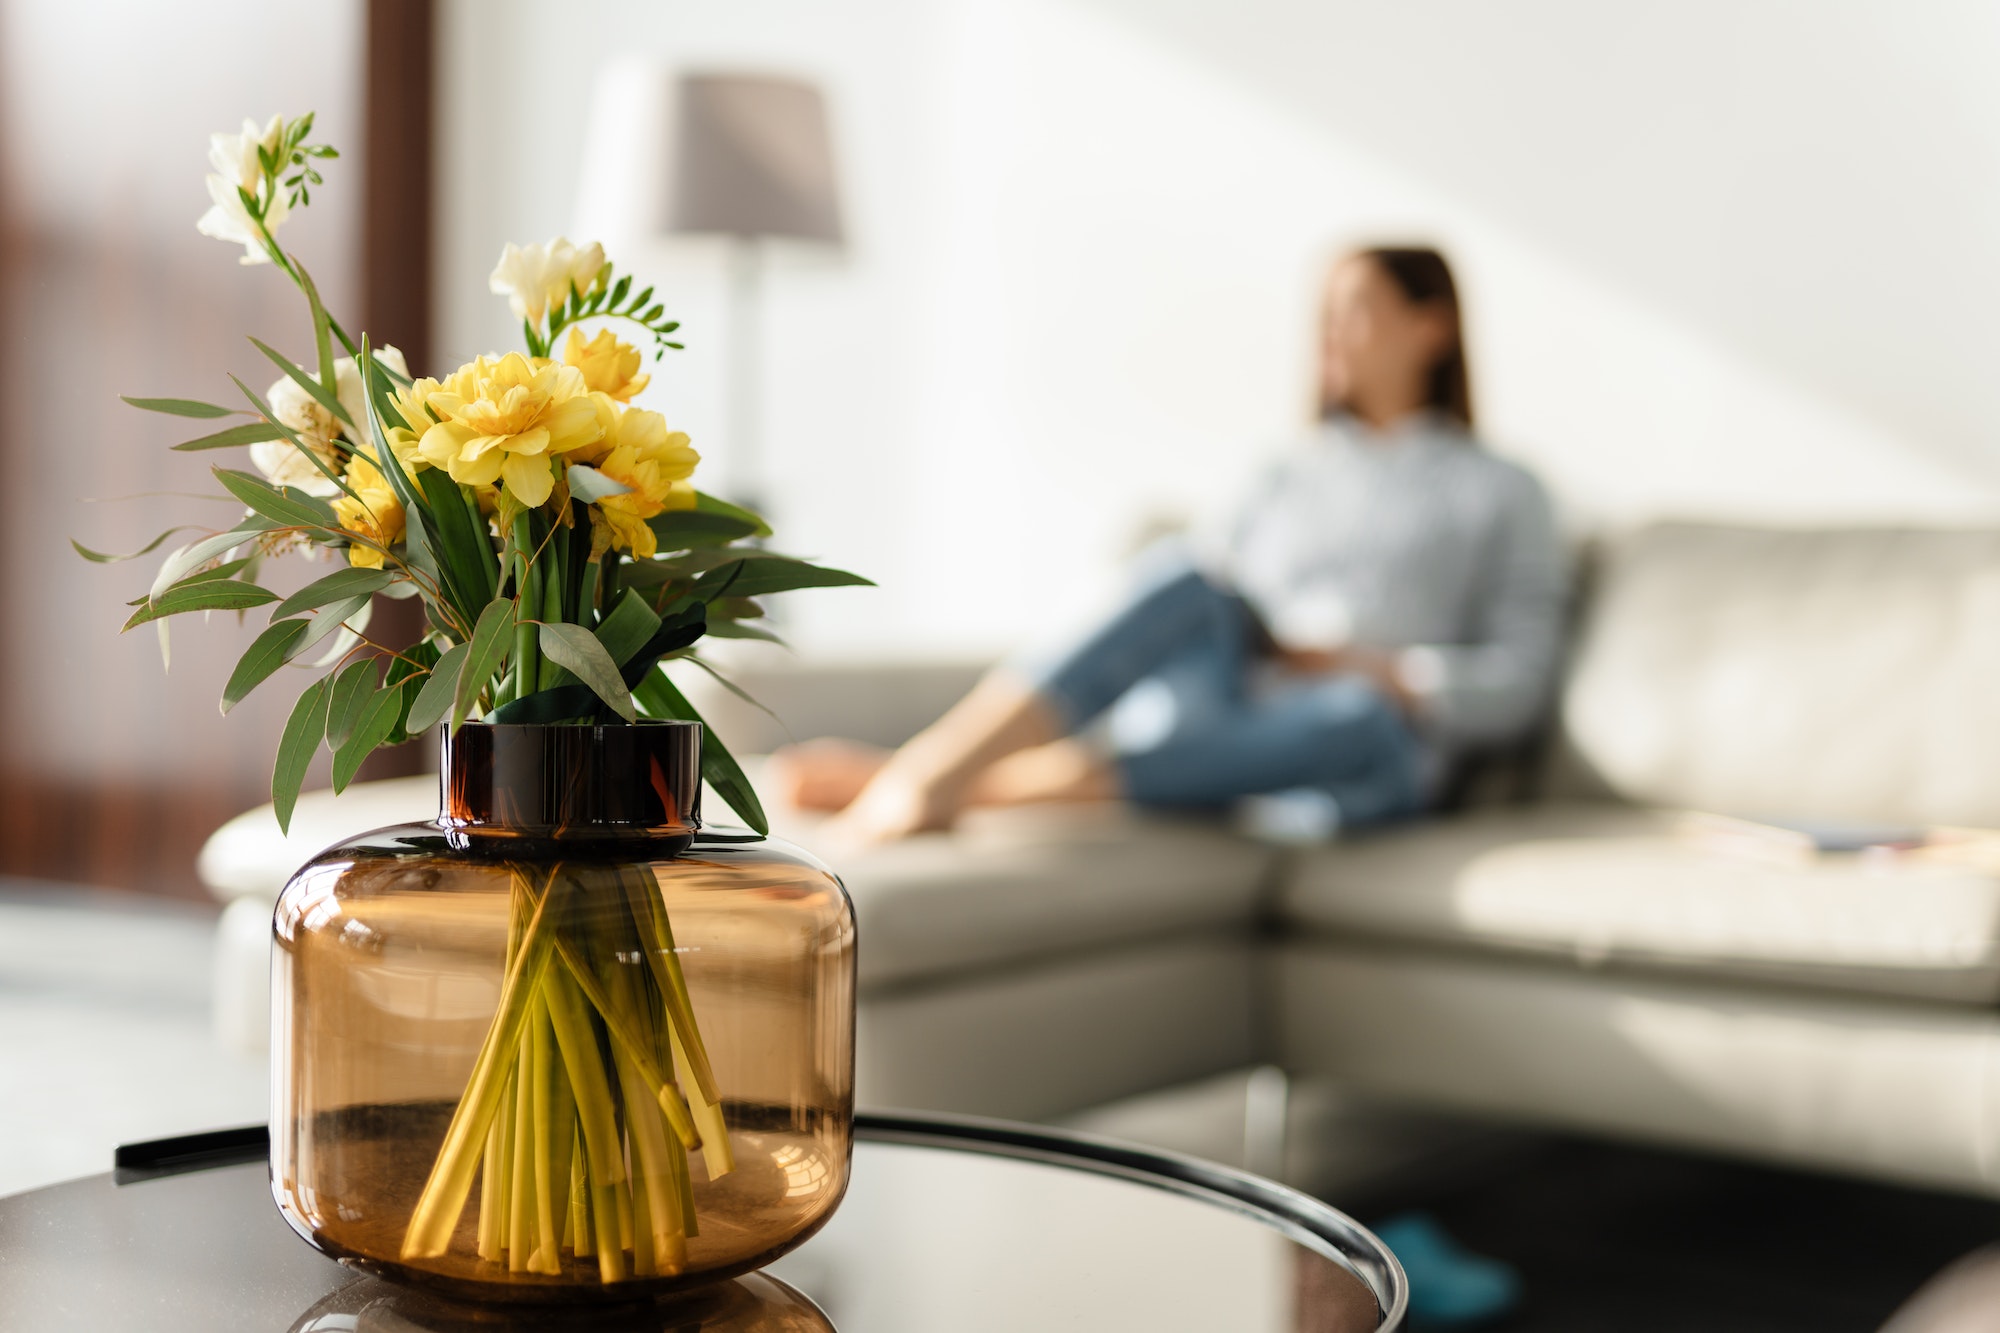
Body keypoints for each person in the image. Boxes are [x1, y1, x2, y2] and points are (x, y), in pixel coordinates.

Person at [774, 245, 1567, 847]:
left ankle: (913, 783)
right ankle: (933, 767)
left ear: (1432, 327)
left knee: (1356, 715)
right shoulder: (1283, 472)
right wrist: (1269, 649)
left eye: (1355, 310)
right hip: (1233, 704)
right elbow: (1190, 614)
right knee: (1190, 575)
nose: (1331, 335)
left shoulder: (1503, 489)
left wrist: (1373, 668)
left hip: (1363, 742)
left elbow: (1520, 684)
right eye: (1325, 313)